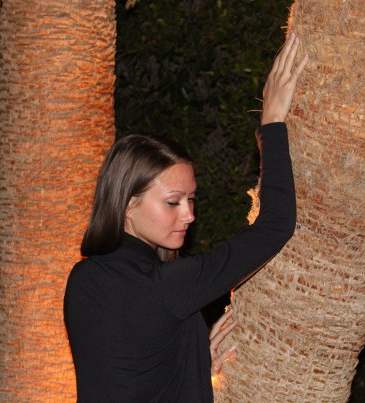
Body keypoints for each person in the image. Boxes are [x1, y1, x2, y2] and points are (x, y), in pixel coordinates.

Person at [64, 33, 308, 402]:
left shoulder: (83, 278)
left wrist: (191, 362)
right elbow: (275, 226)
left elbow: (122, 375)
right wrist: (272, 122)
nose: (190, 215)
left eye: (191, 199)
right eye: (173, 202)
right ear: (128, 204)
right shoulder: (168, 286)